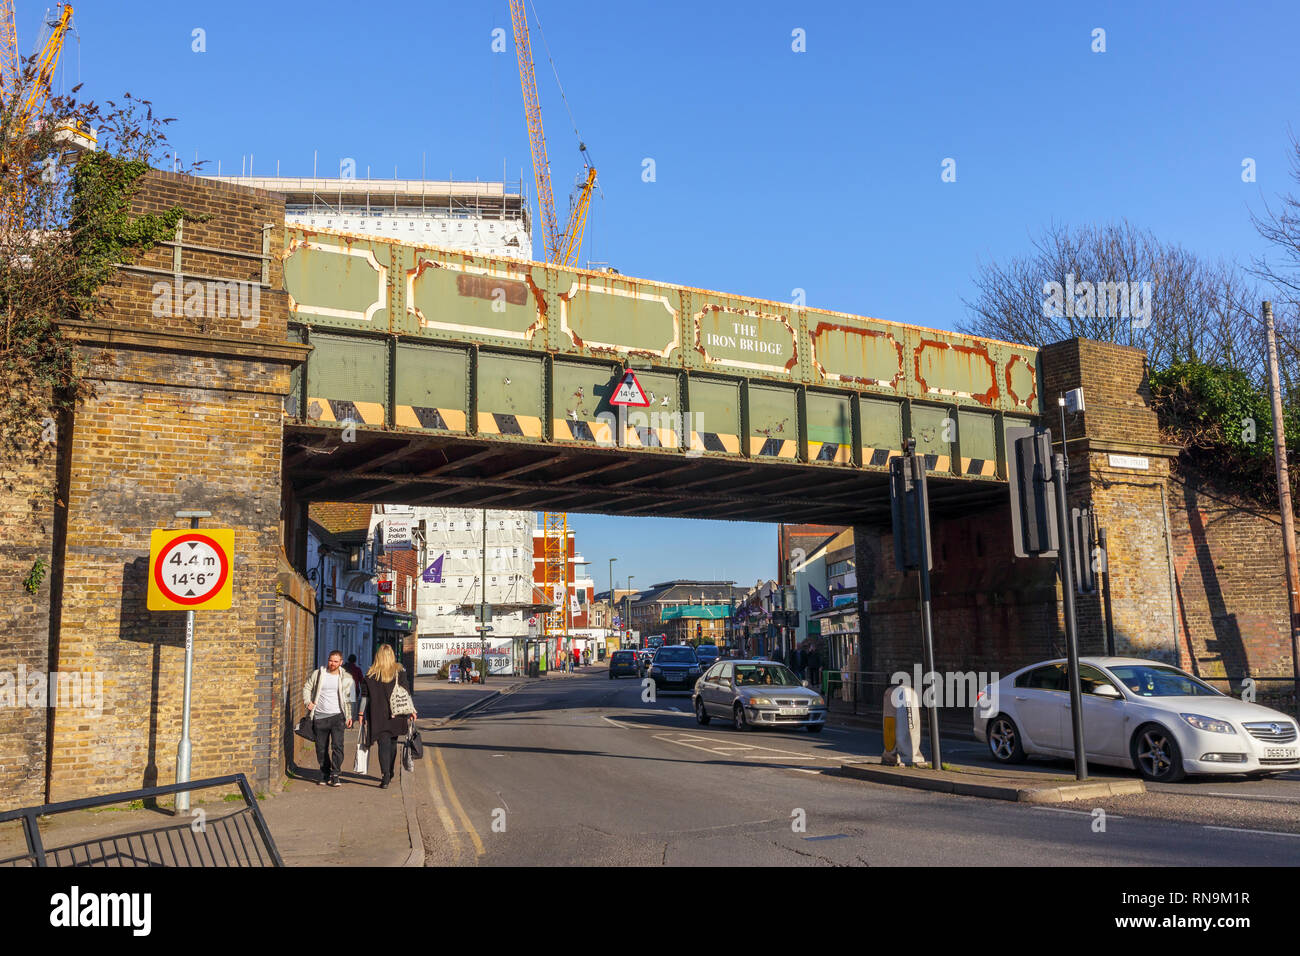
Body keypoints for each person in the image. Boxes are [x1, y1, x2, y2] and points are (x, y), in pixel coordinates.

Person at [358, 644, 417, 789]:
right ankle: (389, 771)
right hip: (396, 714)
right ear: (392, 655)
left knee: (383, 745)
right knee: (392, 744)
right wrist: (412, 711)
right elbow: (406, 693)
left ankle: (385, 776)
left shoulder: (370, 675)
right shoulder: (399, 672)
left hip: (378, 715)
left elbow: (364, 697)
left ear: (377, 656)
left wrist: (360, 714)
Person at [302, 649, 354, 787]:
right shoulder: (319, 674)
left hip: (338, 717)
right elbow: (307, 687)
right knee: (321, 748)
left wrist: (349, 716)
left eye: (336, 661)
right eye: (331, 660)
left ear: (341, 662)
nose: (332, 663)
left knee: (338, 746)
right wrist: (308, 702)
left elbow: (350, 699)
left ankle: (335, 773)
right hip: (320, 716)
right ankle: (325, 773)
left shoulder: (347, 677)